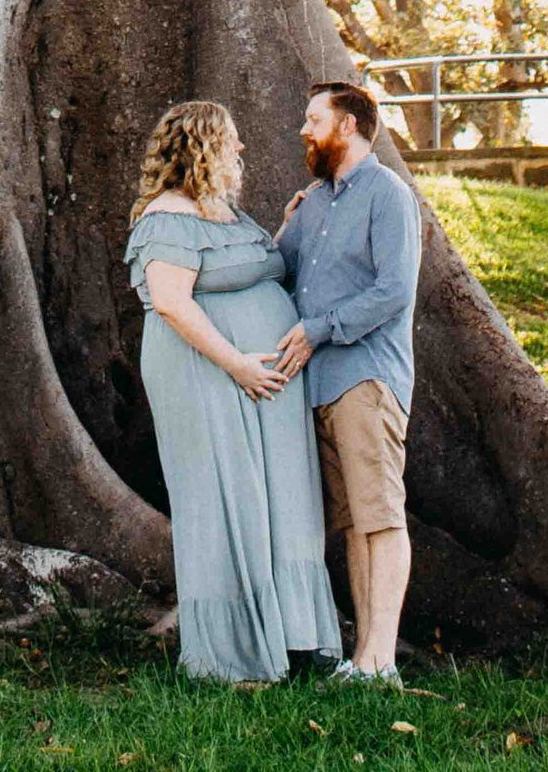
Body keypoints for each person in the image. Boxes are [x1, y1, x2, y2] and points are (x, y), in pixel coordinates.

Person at [124, 95, 343, 686]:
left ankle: (290, 635)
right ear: (203, 146)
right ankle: (231, 654)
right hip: (207, 374)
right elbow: (171, 302)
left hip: (262, 381)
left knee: (276, 497)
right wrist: (238, 364)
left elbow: (237, 272)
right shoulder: (166, 215)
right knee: (226, 496)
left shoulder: (225, 213)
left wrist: (285, 230)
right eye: (233, 139)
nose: (243, 148)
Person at [272, 78, 422, 685]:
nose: (303, 130)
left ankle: (380, 660)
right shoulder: (315, 201)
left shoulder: (388, 194)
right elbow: (279, 270)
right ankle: (364, 656)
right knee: (356, 522)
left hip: (366, 377)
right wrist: (281, 227)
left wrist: (318, 330)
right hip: (320, 386)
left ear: (349, 126)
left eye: (313, 119)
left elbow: (394, 290)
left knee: (382, 516)